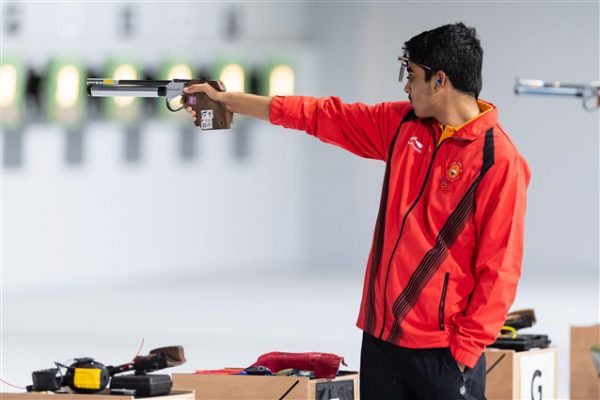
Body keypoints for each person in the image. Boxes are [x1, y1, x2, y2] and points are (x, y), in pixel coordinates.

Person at [184, 22, 530, 400]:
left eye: (411, 75)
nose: (406, 86)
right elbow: (320, 115)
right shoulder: (403, 126)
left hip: (443, 354)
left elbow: (500, 269)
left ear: (439, 80)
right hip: (381, 341)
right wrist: (230, 101)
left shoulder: (499, 162)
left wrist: (465, 351)